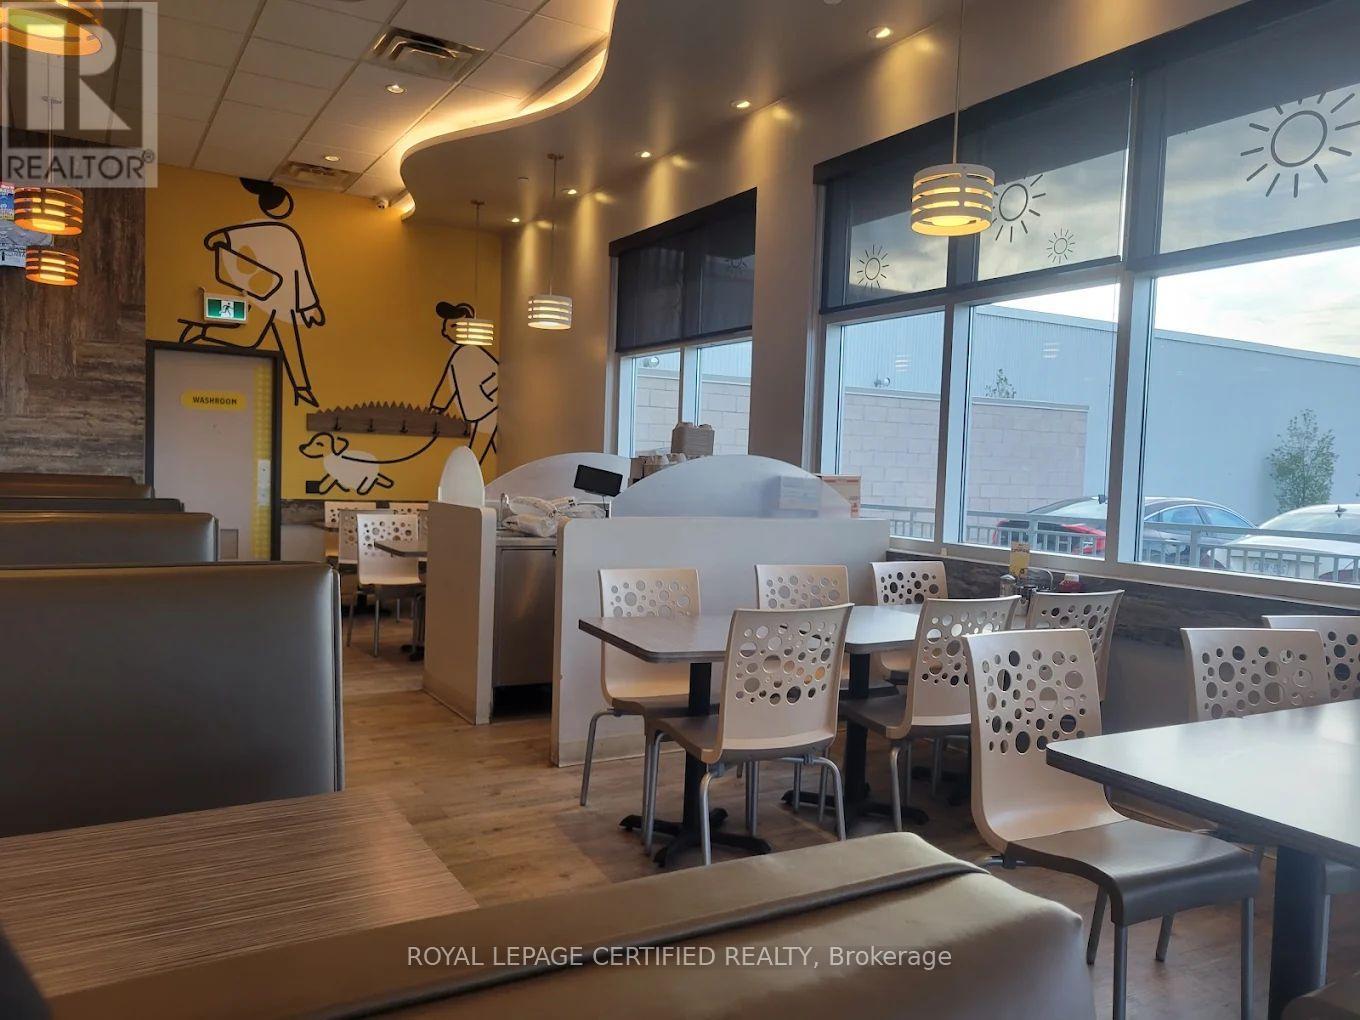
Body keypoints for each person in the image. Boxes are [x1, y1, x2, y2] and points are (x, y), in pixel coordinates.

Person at [199, 179, 325, 407]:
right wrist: (309, 305)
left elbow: (298, 271)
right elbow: (300, 272)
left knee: (272, 341)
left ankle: (301, 389)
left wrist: (308, 305)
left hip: (277, 298)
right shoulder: (280, 233)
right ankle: (200, 331)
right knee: (252, 339)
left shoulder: (283, 234)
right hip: (267, 296)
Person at [428, 301, 499, 464]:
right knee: (487, 446)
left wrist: (488, 395)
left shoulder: (470, 353)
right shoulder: (459, 353)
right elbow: (450, 379)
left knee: (479, 450)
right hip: (481, 408)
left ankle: (470, 473)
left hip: (486, 409)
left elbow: (497, 376)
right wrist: (439, 405)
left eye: (453, 327)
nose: (445, 331)